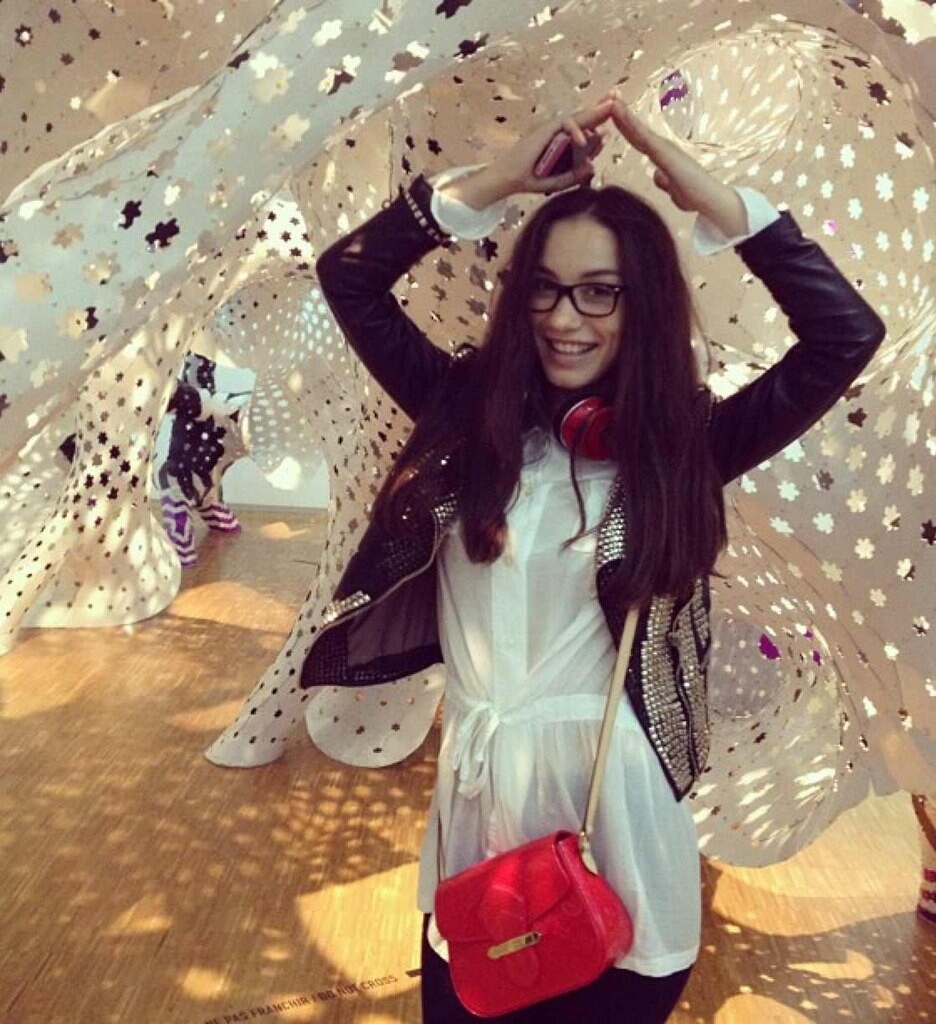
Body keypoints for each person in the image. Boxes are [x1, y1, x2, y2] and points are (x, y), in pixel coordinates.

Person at [303, 93, 885, 1023]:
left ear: (642, 305)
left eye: (599, 291)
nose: (563, 317)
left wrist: (717, 203)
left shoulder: (685, 448)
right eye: (543, 287)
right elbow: (350, 275)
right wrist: (499, 181)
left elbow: (846, 334)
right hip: (477, 814)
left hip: (613, 817)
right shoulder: (463, 419)